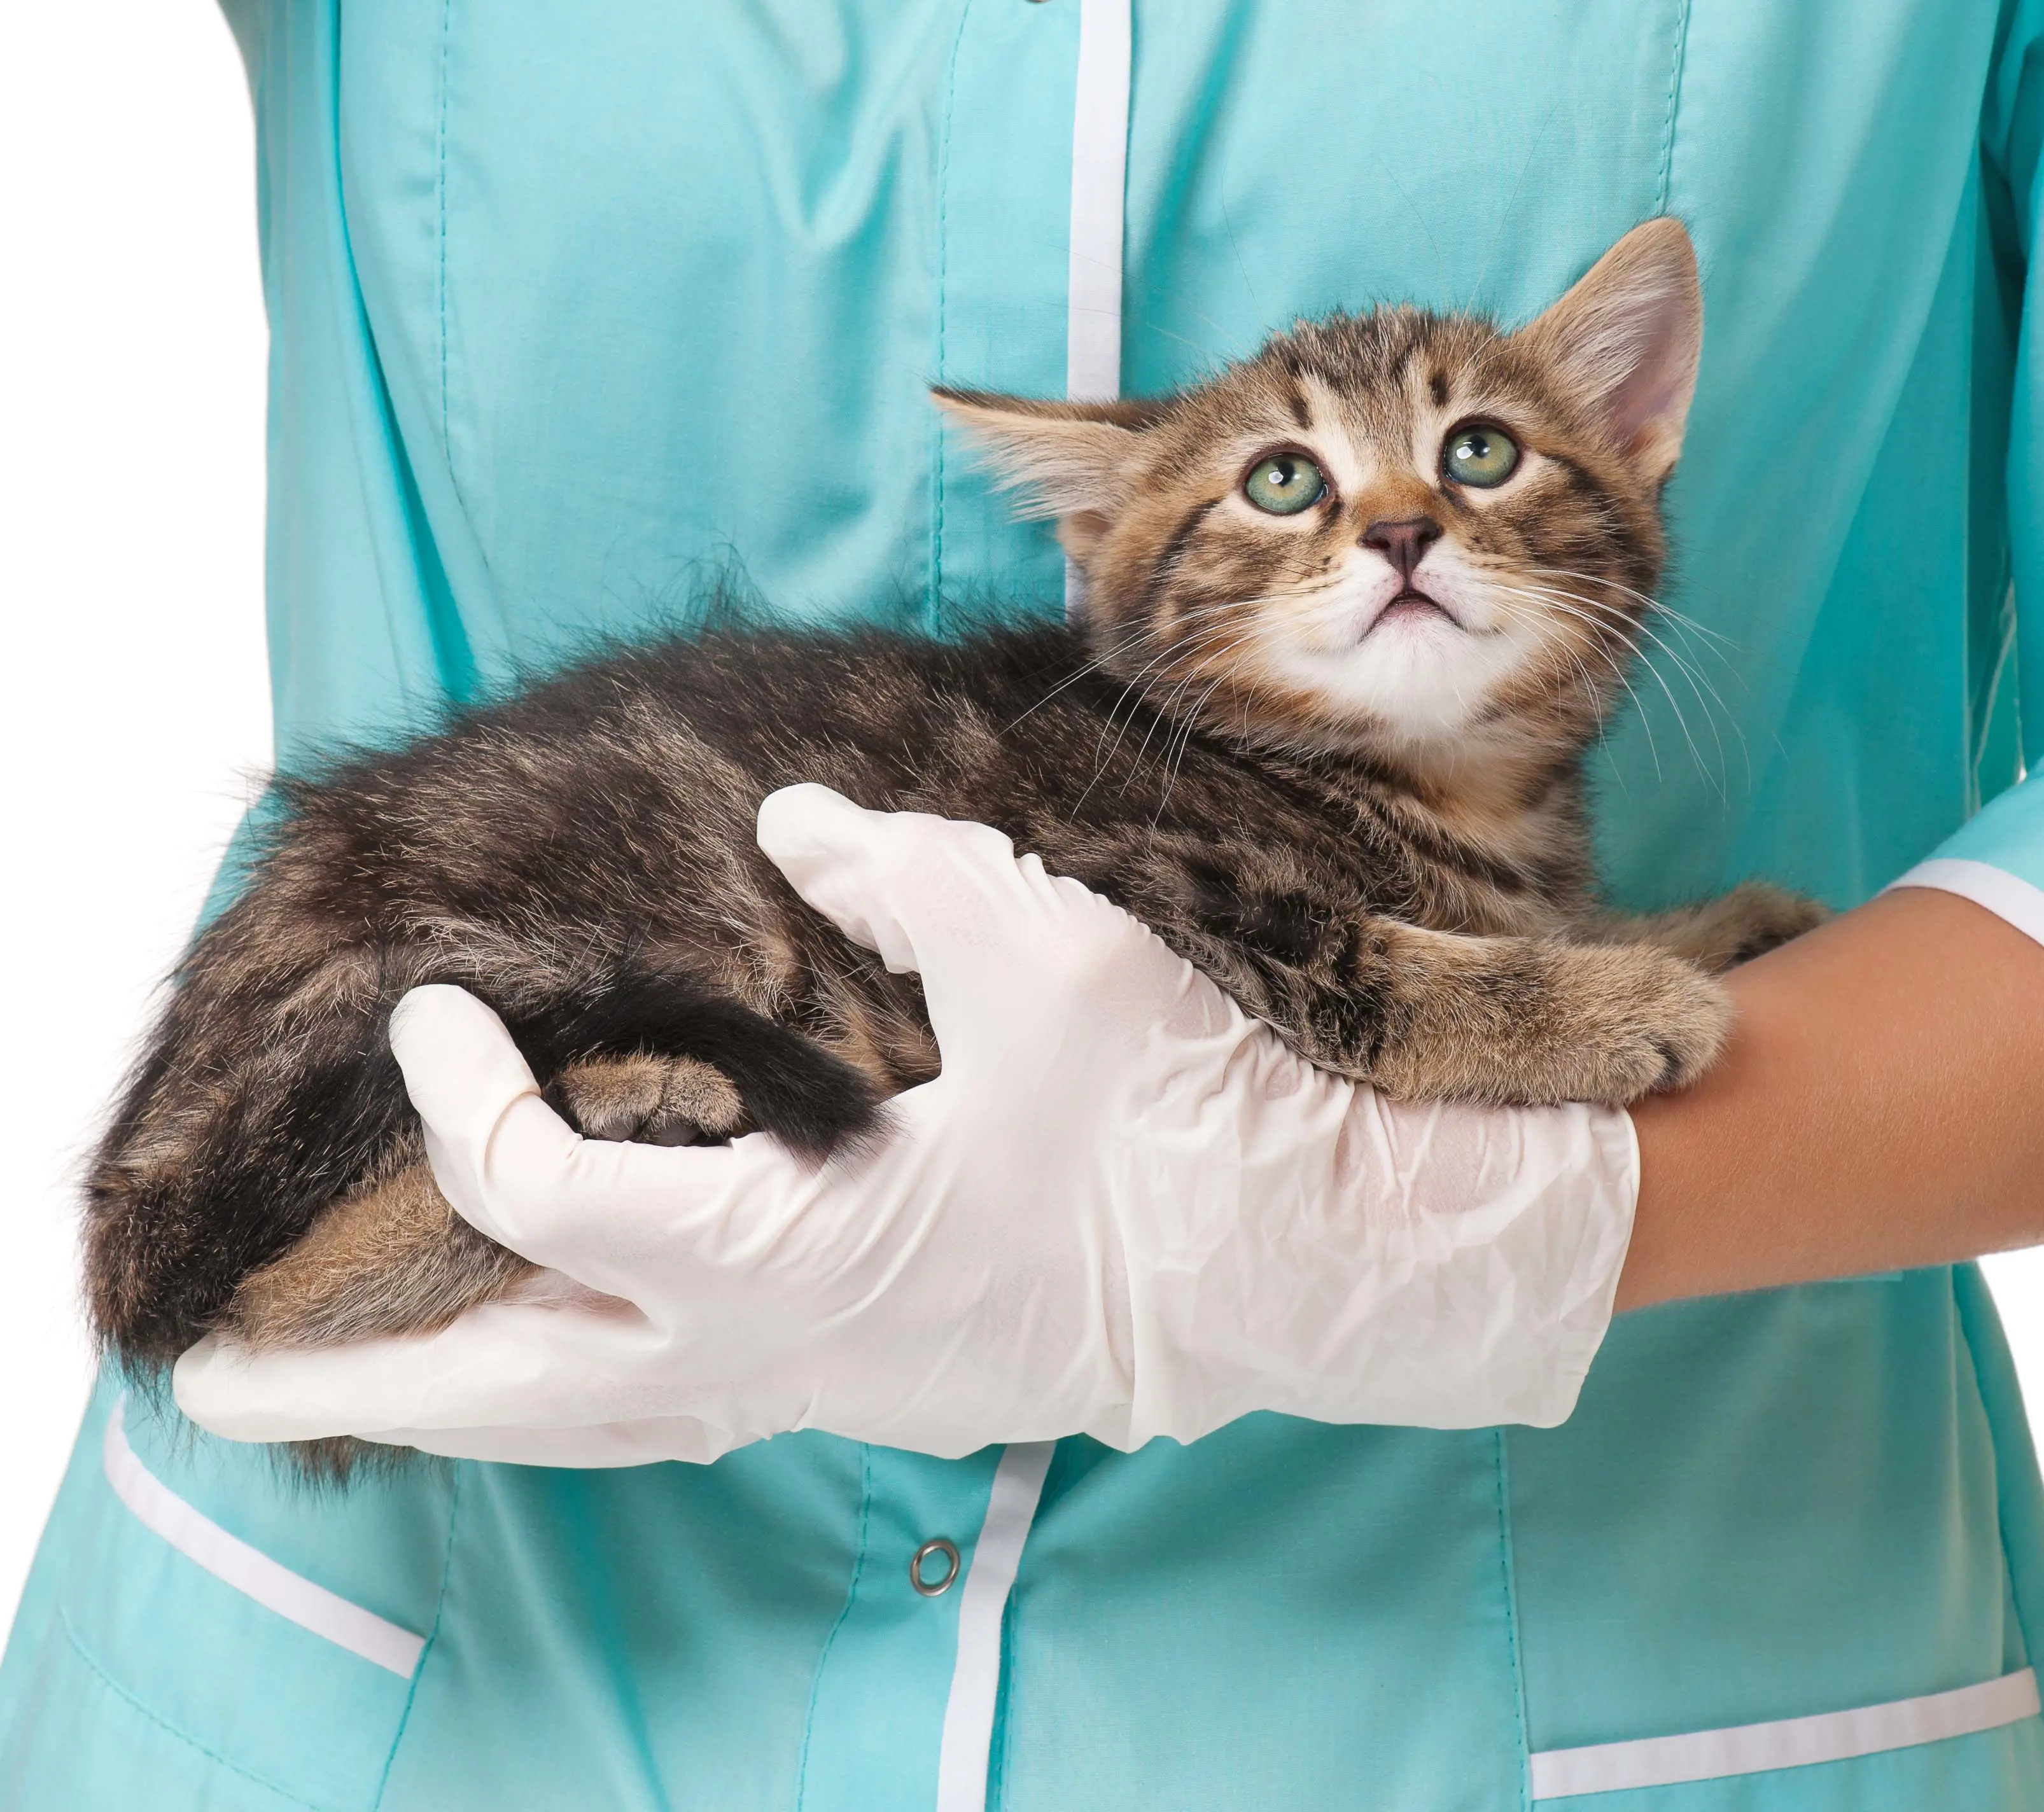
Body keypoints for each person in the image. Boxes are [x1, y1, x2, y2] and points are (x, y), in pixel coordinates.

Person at [7, 2, 2044, 1806]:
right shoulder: (1182, 773)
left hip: (1606, 1639)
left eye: (1471, 463)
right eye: (1296, 489)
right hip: (435, 1660)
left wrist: (1468, 1227)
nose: (1398, 527)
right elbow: (1309, 957)